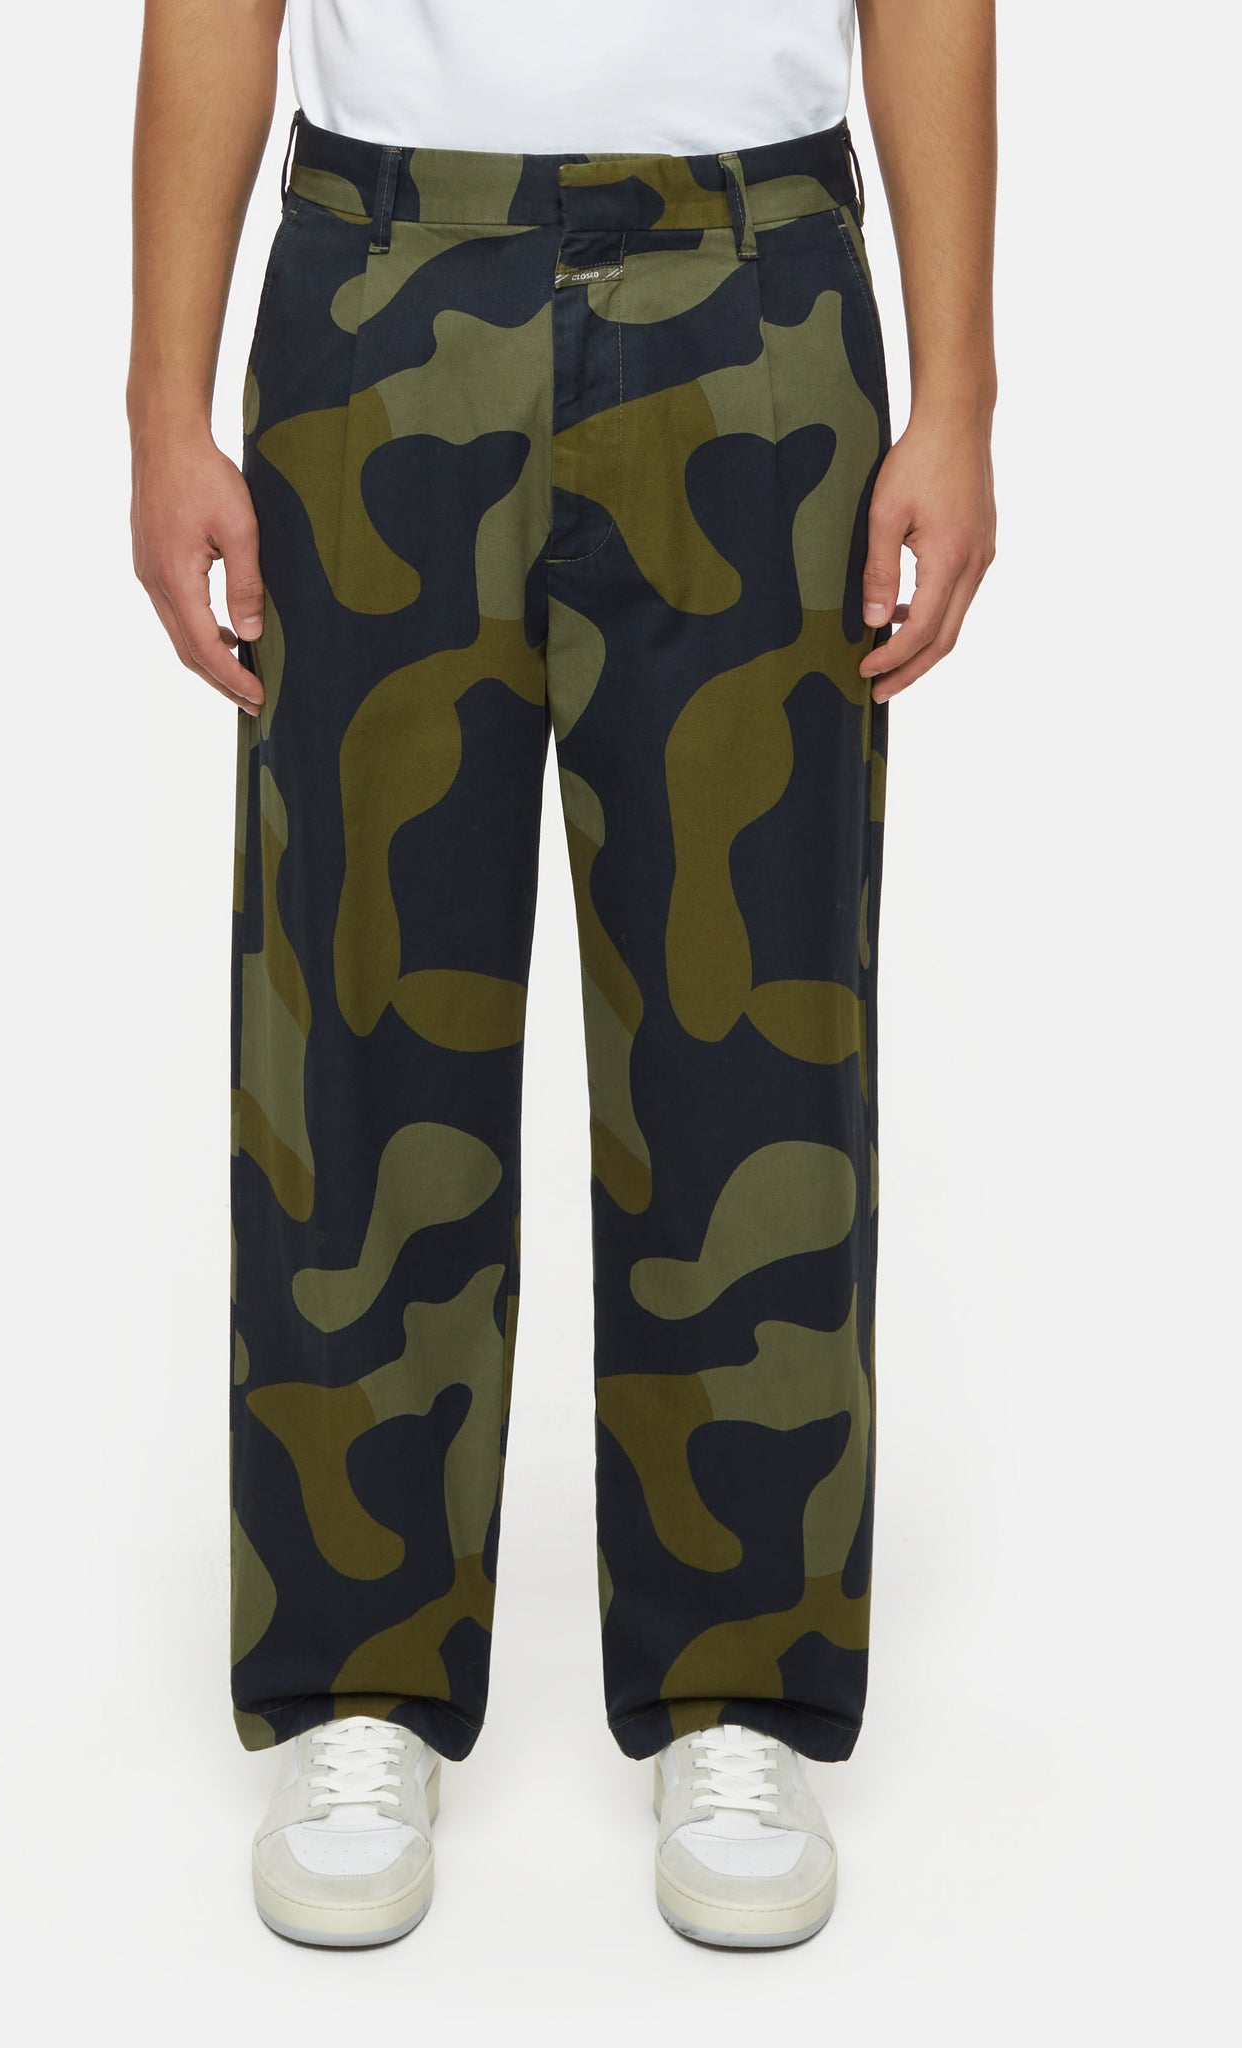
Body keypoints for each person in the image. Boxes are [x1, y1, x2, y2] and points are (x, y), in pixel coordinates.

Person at [129, 0, 996, 1951]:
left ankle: (739, 1689)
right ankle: (355, 1682)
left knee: (750, 1012)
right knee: (351, 999)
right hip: (380, 275)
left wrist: (956, 395)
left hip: (753, 287)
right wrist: (159, 407)